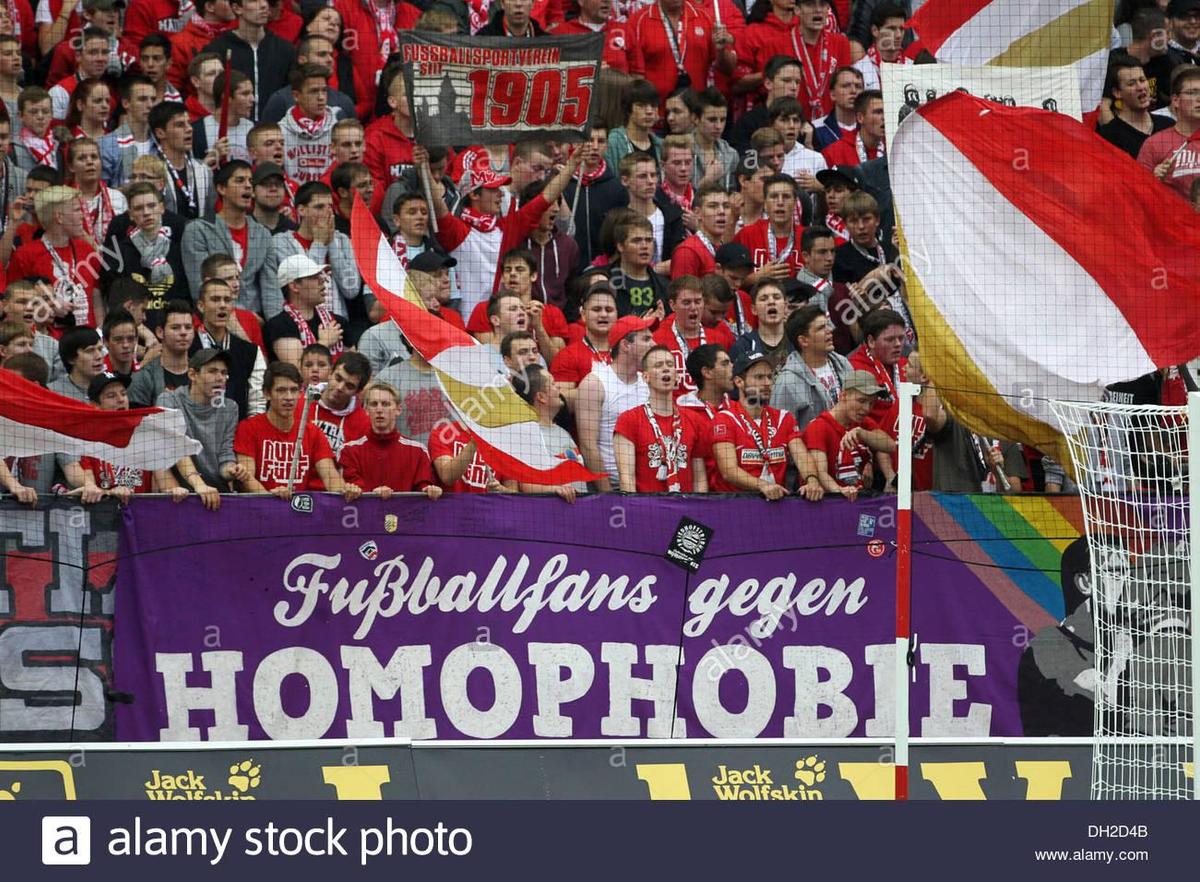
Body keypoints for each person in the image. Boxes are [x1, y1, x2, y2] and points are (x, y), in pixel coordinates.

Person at [431, 144, 590, 319]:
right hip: (464, 326)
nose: (500, 194)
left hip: (500, 323)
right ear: (474, 195)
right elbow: (438, 206)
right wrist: (423, 167)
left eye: (500, 189)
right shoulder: (457, 231)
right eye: (493, 189)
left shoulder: (506, 228)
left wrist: (572, 164)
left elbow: (545, 198)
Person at [233, 360, 359, 498]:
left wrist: (345, 490)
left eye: (294, 390)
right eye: (281, 390)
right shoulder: (248, 428)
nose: (289, 397)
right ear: (266, 393)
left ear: (300, 394)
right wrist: (271, 501)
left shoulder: (313, 432)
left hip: (299, 513)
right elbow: (247, 478)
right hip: (259, 511)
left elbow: (330, 477)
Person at [711, 351, 822, 500]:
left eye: (770, 377)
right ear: (739, 382)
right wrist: (762, 485)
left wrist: (812, 480)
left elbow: (802, 456)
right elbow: (729, 471)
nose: (767, 383)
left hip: (775, 505)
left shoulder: (784, 418)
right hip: (736, 506)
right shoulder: (724, 418)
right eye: (759, 377)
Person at [182, 160, 279, 315]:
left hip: (257, 322)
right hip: (215, 318)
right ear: (221, 188)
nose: (248, 186)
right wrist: (244, 319)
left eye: (251, 181)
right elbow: (200, 288)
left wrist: (274, 326)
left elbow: (271, 288)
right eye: (240, 180)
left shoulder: (263, 235)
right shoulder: (197, 230)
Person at [614, 345, 708, 493]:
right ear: (646, 377)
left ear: (677, 375)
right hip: (648, 510)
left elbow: (700, 478)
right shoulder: (628, 420)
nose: (666, 369)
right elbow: (627, 479)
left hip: (685, 510)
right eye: (658, 365)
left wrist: (697, 511)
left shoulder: (694, 420)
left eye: (670, 365)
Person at [79, 371, 185, 503]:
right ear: (95, 406)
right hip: (105, 516)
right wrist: (110, 493)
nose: (121, 399)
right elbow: (89, 488)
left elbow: (165, 482)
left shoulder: (145, 437)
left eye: (123, 394)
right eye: (111, 396)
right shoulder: (88, 442)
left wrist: (174, 490)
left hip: (141, 515)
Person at [576, 314, 654, 490]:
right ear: (626, 345)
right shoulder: (594, 383)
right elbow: (588, 446)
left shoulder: (648, 382)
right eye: (646, 339)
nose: (653, 345)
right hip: (613, 485)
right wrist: (607, 494)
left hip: (649, 485)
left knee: (687, 519)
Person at [6, 186, 102, 328]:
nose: (82, 215)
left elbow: (96, 296)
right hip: (47, 341)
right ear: (59, 217)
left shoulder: (86, 249)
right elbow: (15, 306)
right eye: (76, 210)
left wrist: (100, 331)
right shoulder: (25, 255)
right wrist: (48, 309)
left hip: (89, 339)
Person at [272, 181, 361, 319]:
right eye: (319, 207)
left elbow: (351, 289)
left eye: (330, 206)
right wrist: (319, 243)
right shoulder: (281, 242)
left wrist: (330, 241)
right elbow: (302, 288)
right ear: (301, 210)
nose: (327, 212)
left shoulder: (343, 240)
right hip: (301, 322)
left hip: (338, 322)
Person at [338, 382, 442, 498]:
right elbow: (350, 488)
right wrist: (371, 495)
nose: (379, 409)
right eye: (374, 404)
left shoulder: (418, 451)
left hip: (406, 515)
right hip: (364, 514)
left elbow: (423, 487)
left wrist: (430, 490)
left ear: (399, 409)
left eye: (385, 404)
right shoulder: (348, 451)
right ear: (366, 410)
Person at [467, 248, 568, 358]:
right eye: (508, 270)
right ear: (502, 277)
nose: (513, 274)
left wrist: (538, 327)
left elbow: (556, 361)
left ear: (533, 276)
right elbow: (492, 355)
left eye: (519, 269)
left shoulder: (552, 313)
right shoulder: (484, 309)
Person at [802, 369, 887, 500]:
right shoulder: (818, 426)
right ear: (843, 396)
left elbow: (889, 445)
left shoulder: (863, 423)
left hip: (858, 500)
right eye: (861, 401)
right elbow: (820, 472)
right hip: (829, 503)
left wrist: (862, 434)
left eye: (871, 403)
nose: (867, 409)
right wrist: (839, 490)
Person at [203, 0, 296, 118]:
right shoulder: (217, 49)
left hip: (274, 130)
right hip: (231, 128)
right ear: (237, 8)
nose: (263, 5)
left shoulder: (286, 50)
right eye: (254, 1)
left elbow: (291, 94)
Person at [771, 304, 850, 431]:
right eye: (821, 328)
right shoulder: (787, 382)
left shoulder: (843, 364)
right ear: (803, 341)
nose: (829, 330)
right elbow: (780, 432)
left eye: (828, 325)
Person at [512, 364, 586, 501]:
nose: (558, 387)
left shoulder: (562, 432)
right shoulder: (527, 434)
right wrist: (554, 490)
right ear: (541, 397)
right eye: (552, 384)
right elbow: (526, 484)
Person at [194, 277, 265, 417]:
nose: (222, 305)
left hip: (238, 432)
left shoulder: (251, 352)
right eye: (215, 299)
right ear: (201, 306)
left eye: (227, 300)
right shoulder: (188, 347)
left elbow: (257, 403)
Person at [653, 275, 735, 397]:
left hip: (711, 411)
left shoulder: (720, 339)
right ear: (672, 305)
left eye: (698, 301)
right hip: (673, 411)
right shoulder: (657, 340)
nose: (693, 308)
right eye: (686, 302)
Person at [265, 252, 344, 364]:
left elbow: (354, 368)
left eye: (320, 275)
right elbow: (297, 371)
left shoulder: (337, 322)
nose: (323, 280)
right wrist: (324, 343)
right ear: (294, 286)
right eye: (313, 277)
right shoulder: (279, 326)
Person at [1138, 67, 1200, 200]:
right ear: (1175, 100)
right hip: (1172, 218)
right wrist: (1152, 179)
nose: (1199, 98)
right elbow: (1138, 193)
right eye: (1192, 92)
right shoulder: (1155, 143)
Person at [550, 285, 618, 404]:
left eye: (609, 310)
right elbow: (560, 403)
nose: (603, 314)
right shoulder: (567, 356)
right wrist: (607, 387)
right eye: (596, 309)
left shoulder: (627, 352)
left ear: (617, 314)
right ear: (583, 314)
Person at [618, 153, 685, 273]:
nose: (650, 181)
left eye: (653, 175)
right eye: (642, 176)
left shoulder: (673, 217)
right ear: (625, 180)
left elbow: (682, 259)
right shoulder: (616, 220)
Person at [1097, 58, 1175, 158]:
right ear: (1117, 92)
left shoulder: (1168, 125)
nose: (1140, 87)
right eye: (1131, 83)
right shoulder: (1108, 136)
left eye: (1142, 80)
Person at [735, 172, 807, 281]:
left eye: (786, 197)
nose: (780, 202)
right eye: (774, 196)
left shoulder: (808, 237)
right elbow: (731, 283)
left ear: (795, 202)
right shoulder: (746, 235)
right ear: (764, 203)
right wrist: (758, 277)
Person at [148, 100, 213, 220]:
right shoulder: (150, 171)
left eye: (189, 123)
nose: (189, 129)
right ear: (160, 133)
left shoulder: (204, 171)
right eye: (180, 125)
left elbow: (211, 216)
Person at [279, 63, 339, 183]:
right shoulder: (280, 132)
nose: (321, 97)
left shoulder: (337, 129)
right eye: (314, 91)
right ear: (296, 96)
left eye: (324, 90)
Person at [129, 299, 195, 406]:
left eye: (188, 327)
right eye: (175, 327)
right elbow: (137, 421)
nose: (183, 332)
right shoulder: (143, 378)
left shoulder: (202, 373)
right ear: (160, 332)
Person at [309, 350, 371, 457]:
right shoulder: (302, 403)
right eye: (338, 378)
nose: (340, 388)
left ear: (358, 392)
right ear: (330, 373)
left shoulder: (363, 424)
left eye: (349, 386)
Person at [166, 0, 236, 95]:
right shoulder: (179, 43)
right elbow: (172, 89)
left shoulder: (241, 35)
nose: (235, 3)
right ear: (210, 6)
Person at [99, 74, 157, 186]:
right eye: (142, 99)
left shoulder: (162, 143)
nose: (150, 105)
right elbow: (102, 192)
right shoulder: (105, 145)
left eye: (153, 99)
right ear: (126, 103)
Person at [192, 68, 256, 164]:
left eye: (252, 93)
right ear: (226, 97)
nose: (253, 99)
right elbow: (192, 175)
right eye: (245, 94)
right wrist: (210, 158)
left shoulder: (255, 129)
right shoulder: (197, 131)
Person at [729, 280, 793, 373]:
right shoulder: (742, 346)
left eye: (776, 297)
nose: (771, 302)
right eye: (764, 299)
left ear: (785, 306)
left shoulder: (798, 341)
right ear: (754, 309)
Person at [670, 183, 730, 279]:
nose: (722, 211)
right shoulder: (687, 252)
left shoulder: (725, 248)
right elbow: (683, 293)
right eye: (713, 206)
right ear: (697, 213)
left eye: (726, 206)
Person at [604, 78, 663, 172]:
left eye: (653, 105)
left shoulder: (661, 145)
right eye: (641, 105)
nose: (649, 111)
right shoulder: (612, 143)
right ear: (628, 109)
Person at [852, 3, 911, 91]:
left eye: (901, 29)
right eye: (892, 28)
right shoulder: (859, 70)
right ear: (875, 31)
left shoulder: (912, 67)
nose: (899, 35)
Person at [822, 89, 886, 167]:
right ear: (860, 118)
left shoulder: (897, 149)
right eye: (878, 112)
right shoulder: (833, 153)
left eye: (887, 112)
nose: (884, 117)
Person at [812, 66, 864, 151]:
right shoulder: (815, 129)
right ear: (832, 94)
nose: (853, 91)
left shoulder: (871, 128)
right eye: (846, 86)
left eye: (858, 86)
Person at [48, 325, 105, 402]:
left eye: (100, 349)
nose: (99, 356)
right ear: (71, 358)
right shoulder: (53, 393)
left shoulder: (112, 386)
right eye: (90, 351)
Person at [250, 161, 297, 235]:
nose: (274, 188)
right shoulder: (243, 228)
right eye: (266, 183)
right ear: (252, 191)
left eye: (278, 184)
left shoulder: (295, 231)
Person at [100, 308, 138, 376]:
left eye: (130, 338)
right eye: (118, 339)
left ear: (136, 340)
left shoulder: (145, 373)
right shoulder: (96, 375)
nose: (125, 345)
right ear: (105, 342)